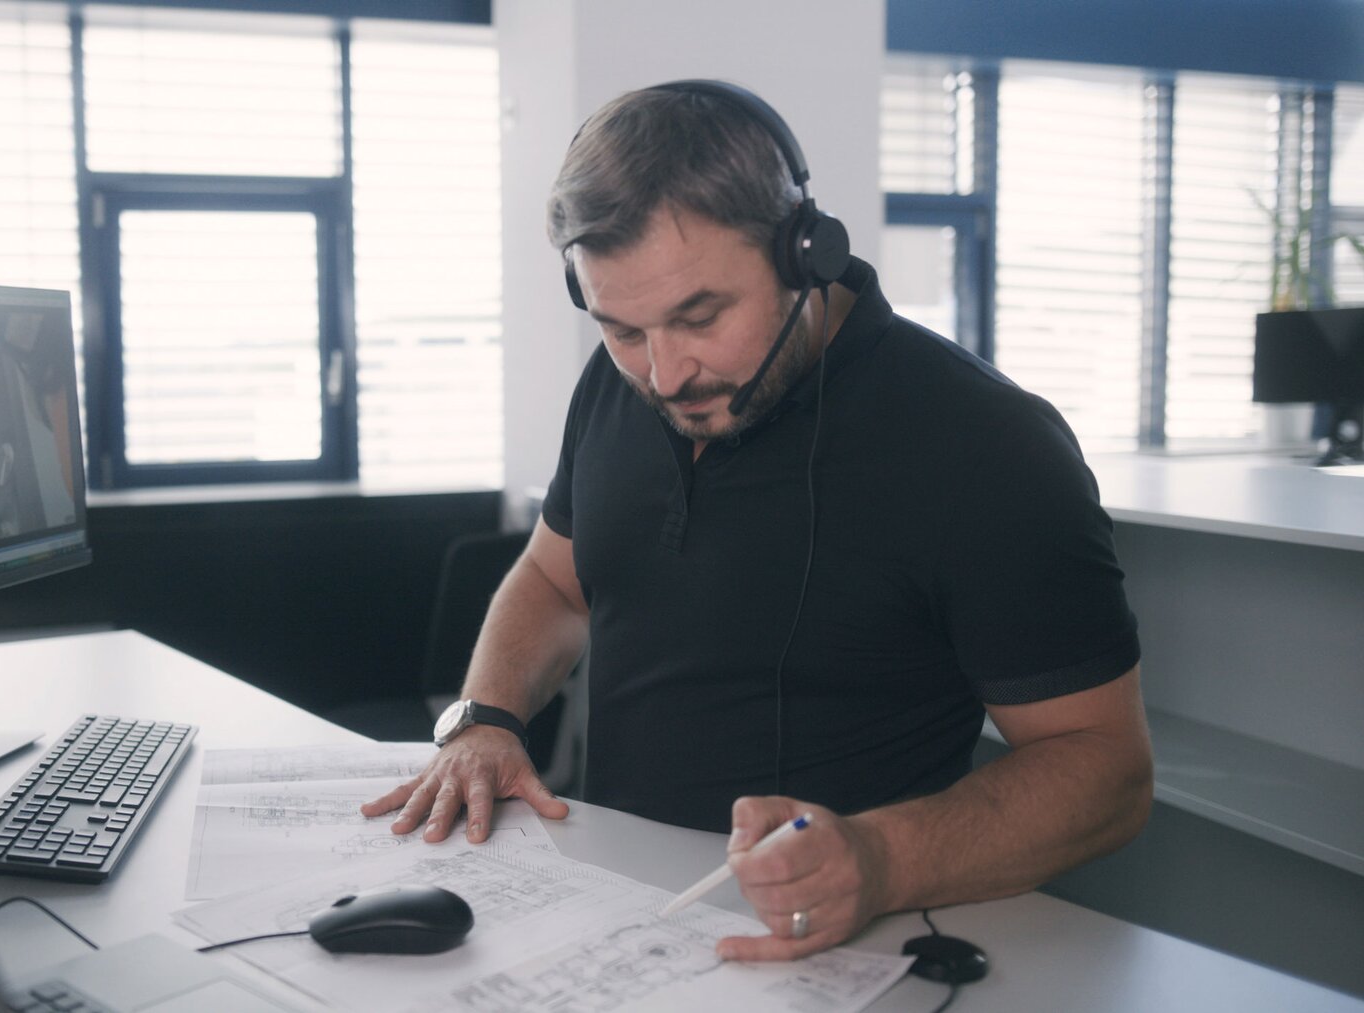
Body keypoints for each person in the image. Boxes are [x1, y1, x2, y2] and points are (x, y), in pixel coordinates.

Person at [363, 80, 1152, 960]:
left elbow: (1106, 769)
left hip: (855, 945)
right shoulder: (613, 390)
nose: (664, 374)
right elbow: (555, 579)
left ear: (802, 252)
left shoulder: (987, 443)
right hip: (620, 925)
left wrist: (881, 858)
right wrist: (485, 718)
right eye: (623, 329)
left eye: (700, 316)